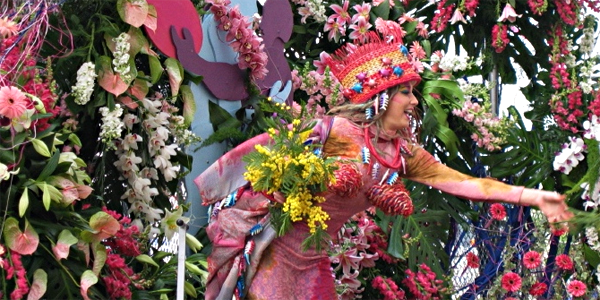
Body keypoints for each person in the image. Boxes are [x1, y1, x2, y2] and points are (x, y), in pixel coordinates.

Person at [195, 32, 573, 300]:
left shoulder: (402, 156)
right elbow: (268, 160)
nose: (413, 102)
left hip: (315, 263)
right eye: (405, 92)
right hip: (275, 255)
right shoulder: (337, 132)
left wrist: (538, 198)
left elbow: (468, 183)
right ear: (379, 99)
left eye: (413, 93)